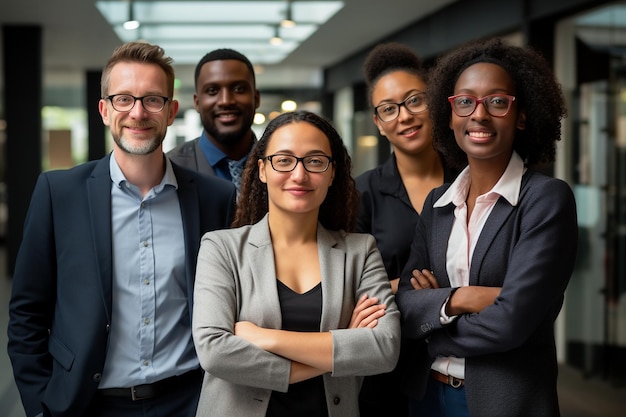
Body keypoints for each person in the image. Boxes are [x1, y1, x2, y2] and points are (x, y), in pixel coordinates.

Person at [7, 41, 237, 417]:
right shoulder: (58, 193)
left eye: (152, 100)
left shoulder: (215, 197)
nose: (138, 112)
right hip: (88, 404)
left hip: (190, 401)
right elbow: (27, 315)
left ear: (172, 111)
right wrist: (39, 405)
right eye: (123, 99)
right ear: (104, 109)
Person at [396, 37, 578, 417]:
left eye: (497, 102)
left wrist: (434, 324)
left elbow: (511, 322)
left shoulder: (545, 199)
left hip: (503, 402)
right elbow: (405, 303)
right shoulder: (438, 202)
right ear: (449, 115)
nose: (478, 114)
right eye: (465, 101)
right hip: (427, 397)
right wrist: (463, 298)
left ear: (521, 115)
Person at [192, 110, 401, 417]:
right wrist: (341, 347)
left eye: (315, 161)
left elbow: (384, 349)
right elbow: (214, 352)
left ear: (332, 173)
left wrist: (266, 337)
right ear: (262, 169)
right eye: (284, 160)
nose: (299, 175)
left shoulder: (360, 251)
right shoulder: (221, 248)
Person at [356, 41, 458, 417]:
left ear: (434, 102)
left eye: (415, 100)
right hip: (386, 369)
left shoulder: (470, 180)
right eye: (389, 109)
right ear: (378, 124)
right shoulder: (361, 193)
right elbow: (352, 291)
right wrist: (422, 290)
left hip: (459, 360)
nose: (405, 116)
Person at [167, 48, 260, 191]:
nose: (225, 101)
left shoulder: (283, 165)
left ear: (256, 98)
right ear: (197, 103)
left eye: (238, 89)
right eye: (212, 91)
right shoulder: (169, 169)